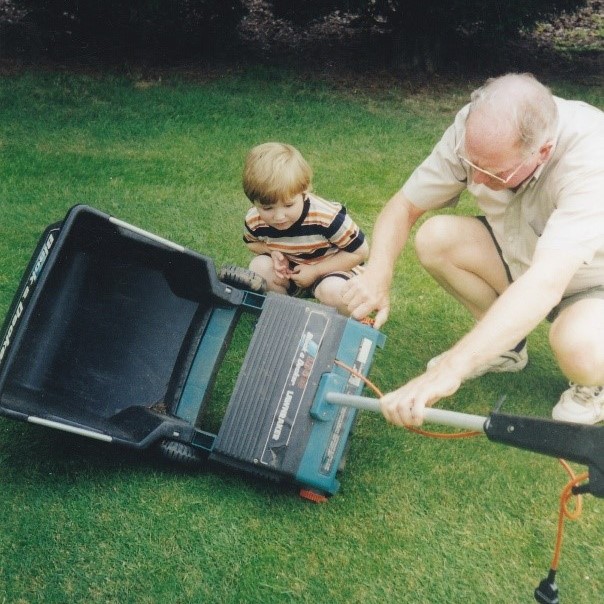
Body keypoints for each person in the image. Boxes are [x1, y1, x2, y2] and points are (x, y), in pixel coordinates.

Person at [342, 73, 604, 426]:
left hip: (591, 284)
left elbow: (546, 283)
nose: (476, 180)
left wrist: (450, 369)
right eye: (471, 164)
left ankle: (594, 386)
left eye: (492, 172)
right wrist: (378, 274)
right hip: (523, 258)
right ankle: (505, 348)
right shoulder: (478, 128)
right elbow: (404, 206)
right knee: (436, 237)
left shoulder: (591, 158)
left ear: (542, 152)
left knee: (579, 345)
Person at [242, 142, 369, 315]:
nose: (279, 217)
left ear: (304, 190)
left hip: (333, 271)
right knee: (259, 267)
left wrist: (316, 271)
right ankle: (286, 314)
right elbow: (252, 243)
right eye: (267, 208)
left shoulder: (327, 217)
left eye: (288, 205)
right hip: (293, 274)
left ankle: (342, 327)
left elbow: (360, 252)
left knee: (333, 291)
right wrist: (272, 251)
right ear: (254, 202)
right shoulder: (255, 220)